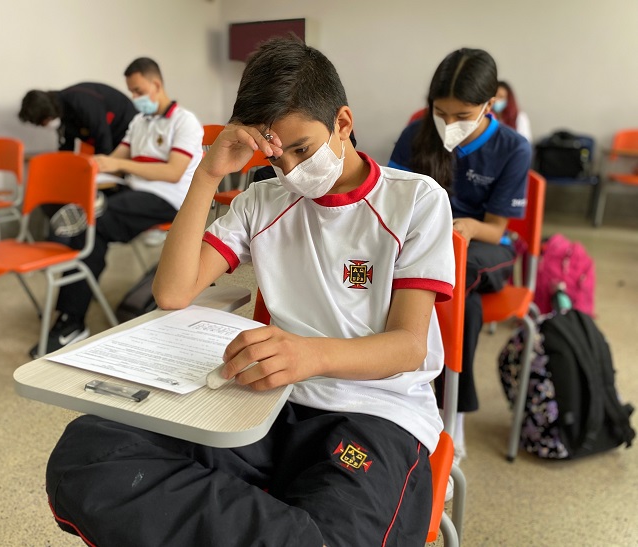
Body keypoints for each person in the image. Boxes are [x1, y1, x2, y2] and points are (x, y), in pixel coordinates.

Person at [45, 37, 455, 546]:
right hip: (270, 402)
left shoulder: (415, 200)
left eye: (303, 149)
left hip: (373, 412)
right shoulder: (263, 200)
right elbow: (173, 292)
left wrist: (308, 354)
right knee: (88, 451)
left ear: (343, 123)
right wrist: (207, 174)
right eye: (277, 157)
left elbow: (408, 347)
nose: (292, 172)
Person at [388, 48, 532, 465]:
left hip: (483, 249)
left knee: (457, 273)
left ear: (491, 104)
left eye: (462, 115)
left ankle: (451, 410)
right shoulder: (417, 133)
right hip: (425, 242)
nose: (448, 124)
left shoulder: (512, 148)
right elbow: (393, 195)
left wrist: (464, 228)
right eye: (440, 112)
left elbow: (498, 229)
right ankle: (411, 387)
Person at [29, 57, 203, 358]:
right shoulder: (138, 122)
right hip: (132, 192)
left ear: (156, 84)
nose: (134, 98)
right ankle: (72, 315)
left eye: (137, 91)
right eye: (131, 92)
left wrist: (118, 164)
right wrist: (91, 171)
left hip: (170, 198)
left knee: (94, 223)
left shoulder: (185, 121)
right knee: (90, 233)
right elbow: (115, 160)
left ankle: (71, 316)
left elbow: (173, 172)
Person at [19, 82, 138, 155]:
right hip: (110, 139)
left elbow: (103, 139)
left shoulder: (80, 102)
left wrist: (101, 171)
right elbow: (67, 145)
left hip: (128, 131)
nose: (44, 125)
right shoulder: (62, 113)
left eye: (42, 122)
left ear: (47, 113)